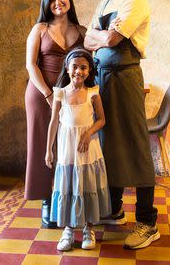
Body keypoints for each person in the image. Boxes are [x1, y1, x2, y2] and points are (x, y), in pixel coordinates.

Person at [84, 0, 159, 249]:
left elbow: (112, 40)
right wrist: (103, 34)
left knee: (136, 145)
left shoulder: (137, 0)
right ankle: (115, 209)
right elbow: (89, 40)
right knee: (108, 144)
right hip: (103, 77)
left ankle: (147, 221)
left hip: (126, 76)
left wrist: (102, 35)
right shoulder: (105, 2)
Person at [24, 0, 87, 228]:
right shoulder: (40, 29)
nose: (57, 3)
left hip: (71, 97)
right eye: (52, 0)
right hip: (41, 95)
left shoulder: (81, 30)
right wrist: (49, 95)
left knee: (69, 147)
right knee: (43, 146)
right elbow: (31, 65)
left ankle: (69, 199)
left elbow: (91, 61)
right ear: (46, 5)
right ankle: (46, 201)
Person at [45, 48, 110, 251]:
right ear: (67, 68)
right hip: (67, 152)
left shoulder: (92, 93)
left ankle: (88, 229)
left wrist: (88, 132)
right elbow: (54, 122)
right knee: (69, 187)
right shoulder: (60, 94)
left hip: (88, 150)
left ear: (89, 71)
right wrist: (49, 150)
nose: (78, 72)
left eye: (83, 67)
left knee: (87, 186)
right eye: (75, 67)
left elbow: (102, 120)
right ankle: (68, 230)